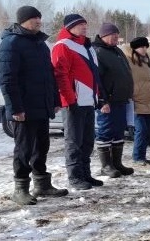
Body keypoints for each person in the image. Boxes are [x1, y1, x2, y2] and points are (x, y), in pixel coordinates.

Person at [0, 6, 69, 204]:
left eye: (39, 18)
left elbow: (49, 76)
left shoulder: (40, 44)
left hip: (41, 106)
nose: (38, 21)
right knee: (24, 149)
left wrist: (54, 100)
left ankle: (42, 184)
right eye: (34, 19)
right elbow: (7, 80)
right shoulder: (11, 44)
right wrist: (15, 108)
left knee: (42, 146)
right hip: (24, 108)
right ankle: (20, 188)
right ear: (23, 21)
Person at [52, 14, 104, 190]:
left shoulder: (87, 47)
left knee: (88, 140)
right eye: (80, 24)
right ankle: (75, 177)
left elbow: (94, 75)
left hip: (88, 100)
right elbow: (60, 75)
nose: (84, 27)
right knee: (73, 141)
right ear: (70, 27)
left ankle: (85, 174)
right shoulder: (63, 46)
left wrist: (98, 96)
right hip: (74, 102)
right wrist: (69, 100)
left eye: (85, 24)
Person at [92, 22, 135, 179]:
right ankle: (106, 166)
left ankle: (117, 163)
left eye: (117, 35)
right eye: (113, 35)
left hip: (121, 99)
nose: (117, 37)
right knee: (105, 131)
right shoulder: (98, 52)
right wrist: (102, 100)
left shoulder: (116, 50)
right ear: (104, 35)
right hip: (108, 101)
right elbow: (97, 79)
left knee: (118, 132)